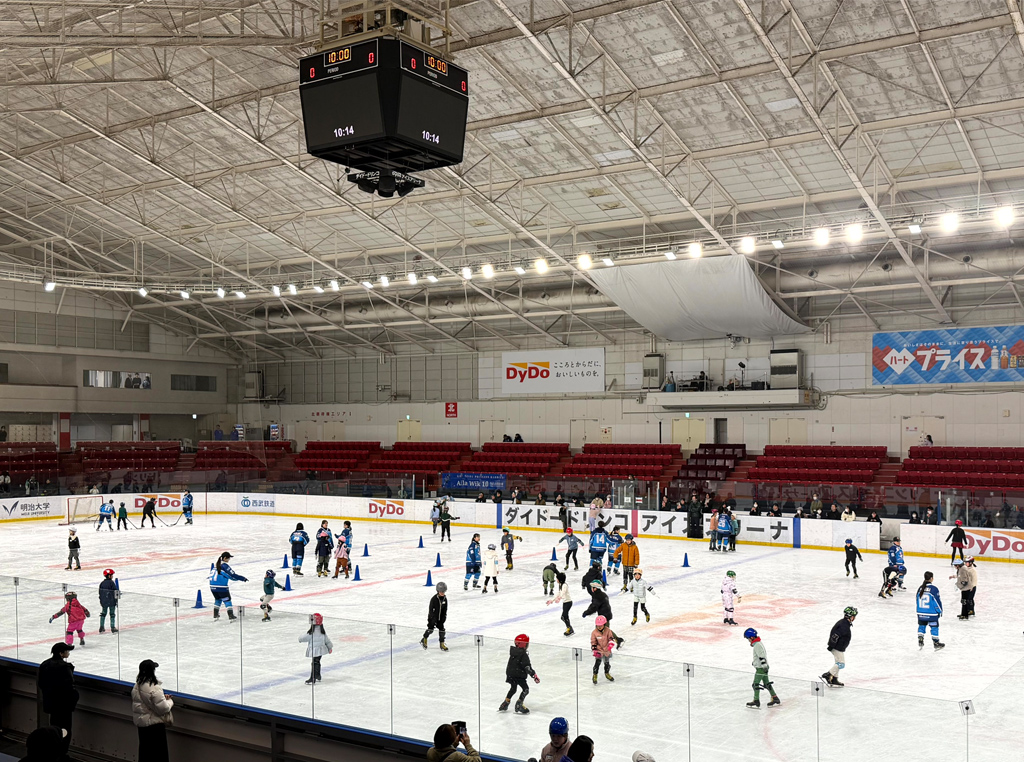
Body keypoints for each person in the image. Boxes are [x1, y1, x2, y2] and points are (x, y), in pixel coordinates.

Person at [38, 643, 79, 753]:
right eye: (67, 651)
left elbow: (41, 684)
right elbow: (69, 687)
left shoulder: (45, 664)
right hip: (64, 706)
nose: (68, 653)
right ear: (61, 653)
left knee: (54, 727)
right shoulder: (65, 667)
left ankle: (54, 751)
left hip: (51, 704)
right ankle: (62, 752)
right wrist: (74, 699)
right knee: (65, 729)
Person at [132, 659, 173, 762]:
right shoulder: (154, 688)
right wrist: (170, 701)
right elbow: (163, 709)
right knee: (159, 755)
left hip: (142, 726)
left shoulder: (137, 686)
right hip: (155, 727)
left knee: (145, 754)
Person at [499, 633, 539, 713]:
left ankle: (505, 703)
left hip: (511, 674)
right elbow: (527, 667)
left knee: (513, 689)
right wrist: (534, 675)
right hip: (519, 675)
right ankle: (519, 704)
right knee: (526, 689)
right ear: (524, 644)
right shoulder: (523, 654)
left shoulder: (514, 652)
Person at [744, 628, 781, 709]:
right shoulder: (758, 643)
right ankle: (775, 698)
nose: (748, 640)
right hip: (763, 667)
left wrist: (763, 667)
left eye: (748, 638)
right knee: (767, 684)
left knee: (755, 684)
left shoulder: (757, 645)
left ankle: (756, 700)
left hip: (761, 668)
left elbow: (761, 656)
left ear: (752, 637)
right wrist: (755, 663)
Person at [821, 606, 857, 687]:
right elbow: (835, 635)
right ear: (851, 617)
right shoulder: (844, 625)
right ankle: (829, 674)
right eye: (854, 616)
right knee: (841, 664)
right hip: (837, 647)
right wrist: (831, 645)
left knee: (837, 663)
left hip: (838, 647)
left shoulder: (844, 623)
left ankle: (834, 679)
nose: (854, 618)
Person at [208, 551, 247, 621]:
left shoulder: (216, 566)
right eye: (228, 558)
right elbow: (232, 575)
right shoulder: (224, 566)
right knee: (227, 600)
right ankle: (231, 616)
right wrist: (242, 578)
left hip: (212, 587)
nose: (229, 560)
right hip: (222, 588)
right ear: (225, 558)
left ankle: (215, 614)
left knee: (218, 599)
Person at [299, 613, 333, 684]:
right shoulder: (322, 632)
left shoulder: (311, 633)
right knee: (317, 662)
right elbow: (327, 640)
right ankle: (318, 675)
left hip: (315, 651)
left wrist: (300, 639)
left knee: (314, 663)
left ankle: (313, 678)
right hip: (321, 650)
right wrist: (329, 647)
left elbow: (303, 638)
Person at [916, 572, 945, 650]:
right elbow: (937, 602)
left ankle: (920, 639)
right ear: (931, 578)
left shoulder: (920, 588)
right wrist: (940, 611)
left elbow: (917, 600)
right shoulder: (934, 589)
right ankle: (936, 642)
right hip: (931, 614)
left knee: (921, 626)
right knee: (934, 627)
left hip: (921, 613)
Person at [421, 582, 448, 651]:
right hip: (433, 618)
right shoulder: (434, 599)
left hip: (440, 619)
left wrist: (444, 617)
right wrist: (432, 619)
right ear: (438, 591)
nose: (442, 593)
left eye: (443, 591)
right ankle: (424, 638)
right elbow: (431, 610)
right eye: (441, 592)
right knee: (430, 630)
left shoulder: (445, 599)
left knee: (442, 630)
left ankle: (442, 643)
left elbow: (445, 609)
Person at [589, 615, 617, 684]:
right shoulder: (594, 632)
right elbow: (593, 642)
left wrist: (610, 646)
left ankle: (607, 673)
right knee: (597, 663)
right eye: (598, 626)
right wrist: (594, 649)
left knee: (607, 663)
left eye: (600, 625)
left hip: (607, 650)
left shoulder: (608, 631)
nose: (599, 627)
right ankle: (595, 675)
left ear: (604, 624)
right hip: (599, 651)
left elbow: (611, 638)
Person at [547, 570, 574, 636]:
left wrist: (560, 598)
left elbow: (563, 592)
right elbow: (558, 593)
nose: (556, 580)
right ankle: (569, 628)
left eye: (557, 578)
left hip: (568, 602)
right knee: (563, 617)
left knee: (564, 616)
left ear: (560, 579)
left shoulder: (564, 585)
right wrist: (552, 600)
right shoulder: (560, 585)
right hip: (565, 603)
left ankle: (569, 629)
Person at [98, 569, 118, 633]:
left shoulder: (102, 583)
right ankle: (112, 627)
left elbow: (100, 593)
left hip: (104, 601)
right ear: (109, 576)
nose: (112, 576)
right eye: (111, 575)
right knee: (112, 614)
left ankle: (101, 627)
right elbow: (115, 592)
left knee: (103, 613)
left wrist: (101, 601)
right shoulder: (111, 583)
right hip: (111, 601)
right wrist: (116, 600)